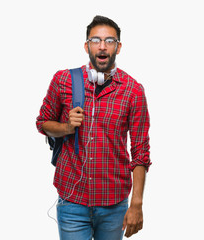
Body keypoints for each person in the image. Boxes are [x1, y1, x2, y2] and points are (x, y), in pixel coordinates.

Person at [36, 15, 151, 240]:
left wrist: (136, 204)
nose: (102, 46)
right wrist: (66, 127)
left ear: (118, 48)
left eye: (109, 41)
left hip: (114, 205)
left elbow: (140, 152)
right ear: (86, 45)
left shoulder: (133, 91)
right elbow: (42, 123)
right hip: (72, 200)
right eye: (96, 40)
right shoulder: (63, 80)